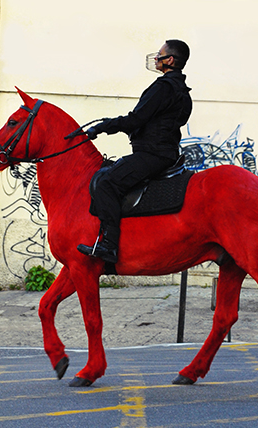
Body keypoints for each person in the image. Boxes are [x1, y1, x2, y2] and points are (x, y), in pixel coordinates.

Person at [77, 39, 192, 264]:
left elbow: (135, 119)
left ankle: (109, 245)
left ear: (170, 60)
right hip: (165, 152)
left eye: (160, 55)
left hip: (153, 154)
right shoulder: (182, 91)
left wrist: (103, 127)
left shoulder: (163, 88)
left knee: (107, 182)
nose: (156, 58)